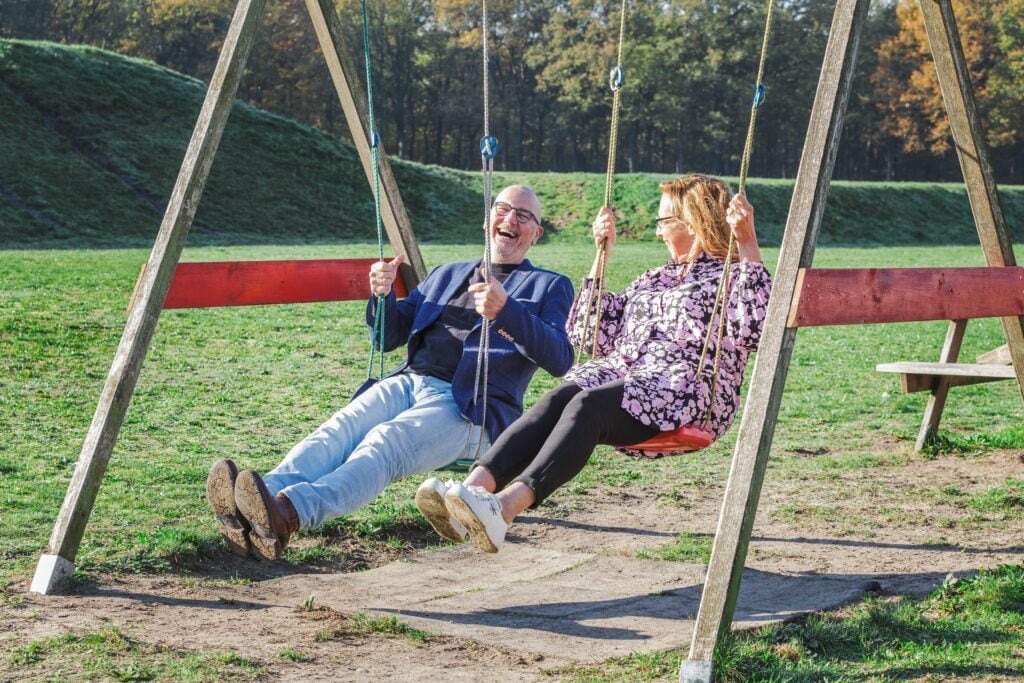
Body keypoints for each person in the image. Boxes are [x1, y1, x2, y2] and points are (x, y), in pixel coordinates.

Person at [206, 185, 575, 559]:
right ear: (487, 220)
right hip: (407, 382)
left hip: (469, 408)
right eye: (503, 208)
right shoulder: (447, 274)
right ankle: (259, 499)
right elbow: (388, 336)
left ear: (535, 234)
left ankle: (289, 512)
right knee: (339, 430)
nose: (511, 219)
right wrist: (382, 296)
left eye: (524, 216)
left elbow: (560, 358)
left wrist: (506, 311)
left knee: (385, 441)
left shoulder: (549, 285)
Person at [416, 173, 772, 553]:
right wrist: (601, 255)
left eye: (663, 222)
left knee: (588, 405)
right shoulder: (655, 278)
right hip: (630, 380)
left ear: (694, 221)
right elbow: (590, 336)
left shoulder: (732, 275)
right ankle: (469, 495)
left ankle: (503, 510)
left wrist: (748, 244)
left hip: (685, 394)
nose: (657, 233)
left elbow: (753, 332)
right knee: (562, 395)